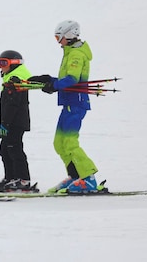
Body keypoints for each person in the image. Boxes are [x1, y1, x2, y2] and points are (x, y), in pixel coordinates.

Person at [30, 20, 99, 193]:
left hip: (76, 102)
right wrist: (49, 80)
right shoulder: (70, 52)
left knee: (69, 142)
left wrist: (54, 85)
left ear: (68, 35)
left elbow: (71, 79)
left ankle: (89, 179)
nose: (58, 41)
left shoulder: (76, 54)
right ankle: (75, 176)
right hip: (69, 102)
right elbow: (65, 80)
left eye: (58, 37)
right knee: (59, 143)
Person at [0, 50, 34, 192]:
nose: (1, 67)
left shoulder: (15, 79)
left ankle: (23, 179)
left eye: (4, 63)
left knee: (14, 149)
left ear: (15, 64)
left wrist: (5, 124)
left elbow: (12, 105)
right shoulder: (11, 78)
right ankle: (10, 177)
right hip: (11, 121)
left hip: (15, 122)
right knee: (4, 149)